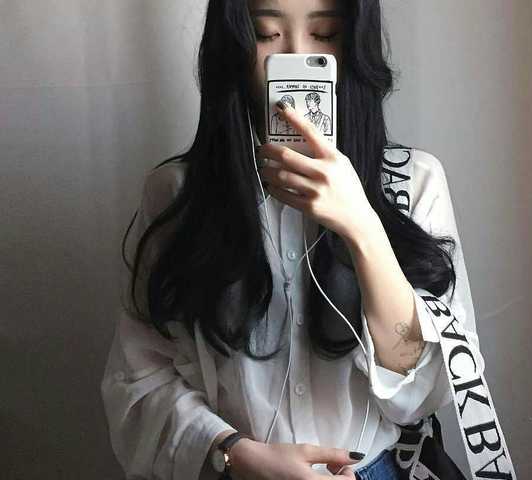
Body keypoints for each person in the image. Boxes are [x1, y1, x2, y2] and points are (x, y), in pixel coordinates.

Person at [100, 1, 484, 479]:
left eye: (324, 35)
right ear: (233, 45)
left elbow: (424, 393)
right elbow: (138, 376)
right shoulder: (176, 194)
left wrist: (363, 228)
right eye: (266, 34)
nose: (295, 55)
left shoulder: (413, 183)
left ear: (353, 46)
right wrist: (233, 453)